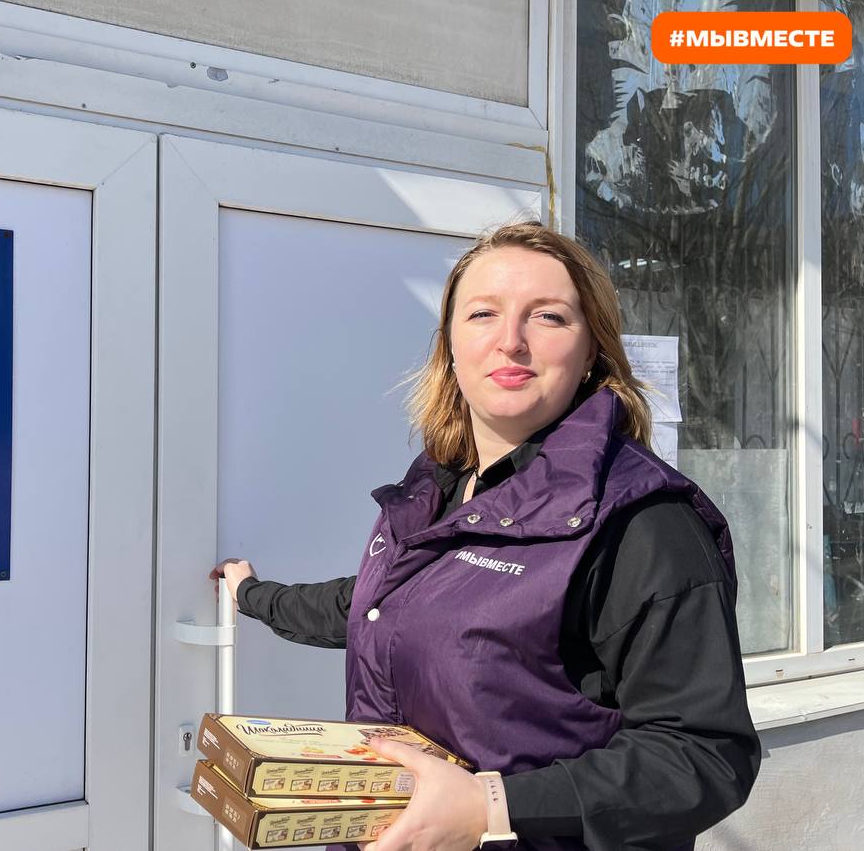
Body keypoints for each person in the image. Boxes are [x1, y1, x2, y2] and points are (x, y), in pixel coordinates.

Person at [210, 222, 759, 851]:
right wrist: (252, 594)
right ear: (449, 345)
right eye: (482, 314)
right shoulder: (438, 488)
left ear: (592, 352)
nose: (510, 341)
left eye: (548, 317)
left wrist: (491, 806)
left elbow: (704, 754)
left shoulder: (641, 521)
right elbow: (381, 604)